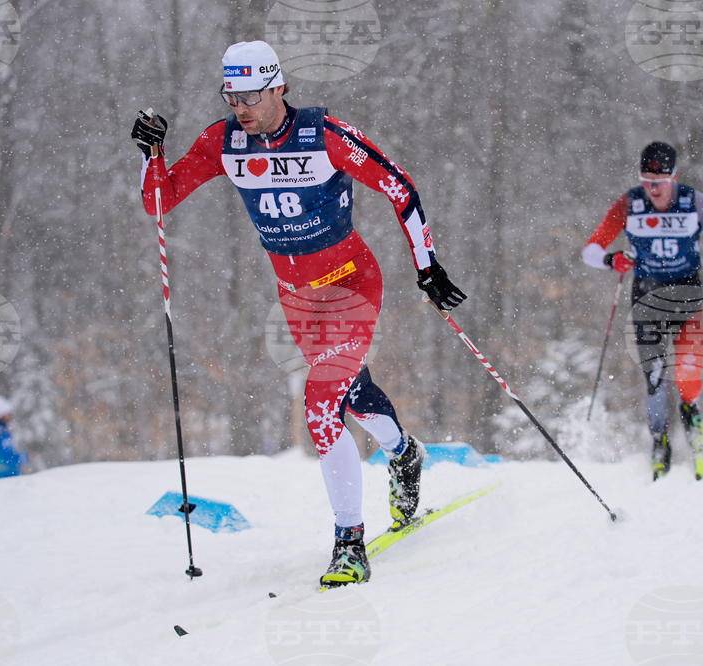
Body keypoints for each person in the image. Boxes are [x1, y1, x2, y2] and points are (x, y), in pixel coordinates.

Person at [131, 40, 467, 588]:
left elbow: (399, 186)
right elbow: (159, 201)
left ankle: (349, 543)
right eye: (231, 94)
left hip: (350, 284)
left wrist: (427, 267)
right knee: (351, 393)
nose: (242, 106)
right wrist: (152, 154)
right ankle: (405, 455)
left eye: (253, 94)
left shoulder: (323, 135)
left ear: (279, 87)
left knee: (318, 403)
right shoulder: (224, 141)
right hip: (298, 298)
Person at [582, 141, 703, 481]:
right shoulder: (630, 204)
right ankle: (660, 442)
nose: (653, 188)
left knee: (686, 374)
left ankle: (691, 411)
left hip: (688, 297)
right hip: (647, 299)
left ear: (674, 177)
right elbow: (590, 250)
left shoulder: (694, 202)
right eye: (647, 180)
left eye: (661, 181)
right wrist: (613, 260)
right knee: (654, 378)